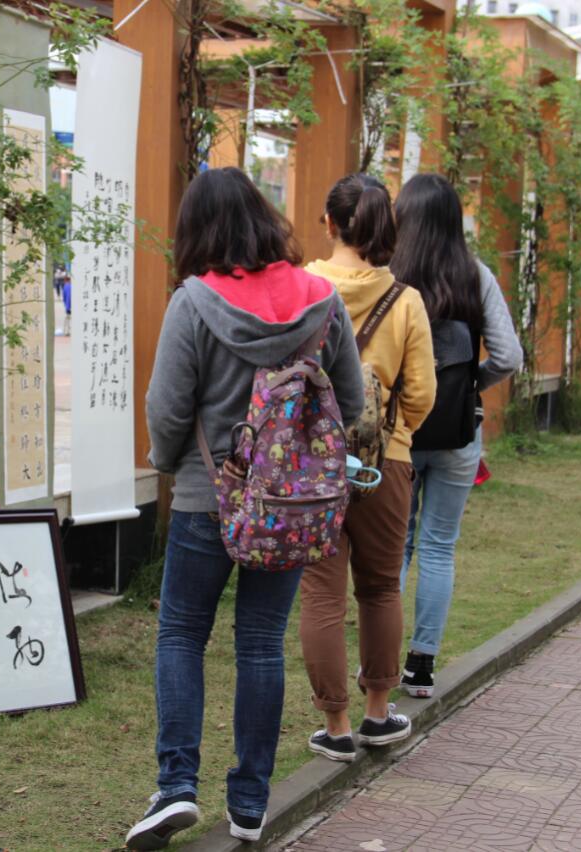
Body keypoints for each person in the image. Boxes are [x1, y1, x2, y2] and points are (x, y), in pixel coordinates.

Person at [127, 167, 365, 849]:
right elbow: (349, 401)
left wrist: (167, 462)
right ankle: (252, 801)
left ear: (197, 229)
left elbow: (167, 409)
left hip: (207, 498)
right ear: (264, 219)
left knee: (181, 634)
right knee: (260, 643)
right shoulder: (321, 300)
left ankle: (176, 786)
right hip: (289, 506)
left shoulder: (193, 303)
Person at [298, 173, 435, 763]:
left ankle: (334, 725)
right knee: (380, 587)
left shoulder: (302, 288)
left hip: (310, 467)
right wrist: (394, 434)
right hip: (386, 464)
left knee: (320, 595)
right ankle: (378, 714)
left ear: (329, 222)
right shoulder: (406, 300)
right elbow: (422, 392)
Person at [391, 173, 523, 698]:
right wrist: (471, 386)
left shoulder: (389, 274)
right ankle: (421, 665)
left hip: (400, 432)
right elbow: (509, 356)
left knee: (396, 548)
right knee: (439, 546)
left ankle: (381, 661)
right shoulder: (476, 274)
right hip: (458, 433)